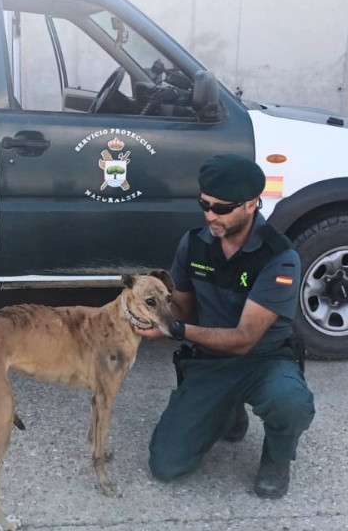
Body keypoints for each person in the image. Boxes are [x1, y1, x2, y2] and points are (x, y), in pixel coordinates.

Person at [134, 153, 315, 498]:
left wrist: (175, 332)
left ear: (250, 204)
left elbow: (245, 339)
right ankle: (228, 413)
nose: (209, 215)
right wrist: (149, 311)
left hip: (264, 360)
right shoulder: (194, 243)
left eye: (220, 208)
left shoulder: (279, 257)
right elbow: (184, 311)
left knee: (289, 401)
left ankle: (277, 459)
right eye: (204, 204)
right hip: (211, 361)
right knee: (166, 467)